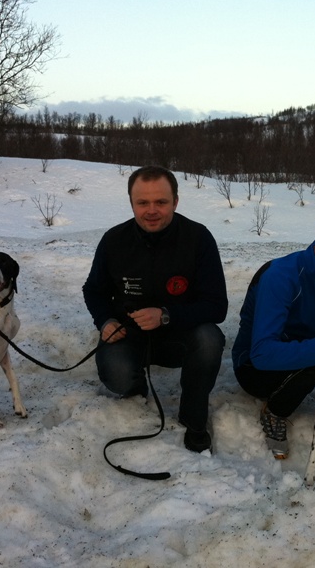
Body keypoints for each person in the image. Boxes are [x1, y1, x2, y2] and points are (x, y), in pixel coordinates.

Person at [83, 165, 228, 453]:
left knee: (210, 339)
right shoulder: (114, 240)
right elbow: (93, 290)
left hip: (180, 334)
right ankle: (136, 391)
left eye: (161, 202)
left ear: (175, 201)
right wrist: (105, 321)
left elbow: (217, 306)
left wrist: (165, 315)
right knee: (118, 375)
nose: (152, 210)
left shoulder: (198, 238)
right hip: (130, 334)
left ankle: (194, 416)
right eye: (143, 202)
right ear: (132, 203)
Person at [231, 209, 315, 459]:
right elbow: (261, 353)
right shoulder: (281, 277)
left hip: (297, 357)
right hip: (254, 369)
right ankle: (275, 412)